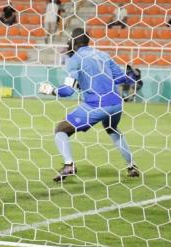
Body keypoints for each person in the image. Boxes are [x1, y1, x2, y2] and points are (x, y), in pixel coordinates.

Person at [38, 28, 140, 181]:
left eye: (71, 39)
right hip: (116, 103)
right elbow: (121, 78)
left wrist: (50, 90)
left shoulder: (75, 59)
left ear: (76, 42)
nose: (68, 42)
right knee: (112, 129)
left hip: (97, 105)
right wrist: (89, 82)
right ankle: (132, 165)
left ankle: (69, 165)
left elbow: (67, 92)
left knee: (61, 129)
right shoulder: (103, 55)